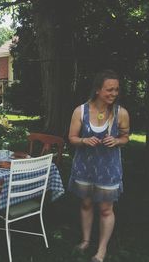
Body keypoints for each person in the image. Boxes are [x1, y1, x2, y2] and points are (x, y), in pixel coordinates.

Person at [68, 70, 130, 262]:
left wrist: (118, 141)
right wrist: (83, 141)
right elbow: (72, 138)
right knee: (86, 203)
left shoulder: (121, 113)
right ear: (97, 90)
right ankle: (86, 240)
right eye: (109, 90)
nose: (114, 93)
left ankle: (101, 250)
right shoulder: (80, 111)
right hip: (84, 167)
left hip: (108, 169)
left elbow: (126, 137)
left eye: (116, 90)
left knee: (105, 209)